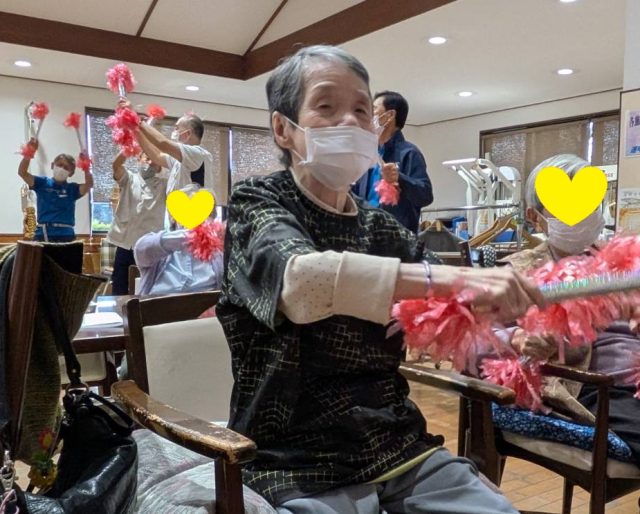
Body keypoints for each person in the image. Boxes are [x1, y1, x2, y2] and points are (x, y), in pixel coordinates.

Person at [216, 44, 543, 514]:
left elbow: (446, 317)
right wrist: (452, 279)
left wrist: (511, 326)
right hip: (293, 457)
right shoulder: (258, 202)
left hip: (396, 445)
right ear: (283, 128)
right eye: (326, 106)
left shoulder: (382, 228)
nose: (349, 122)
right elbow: (302, 283)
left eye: (361, 110)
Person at [494, 153, 640, 465]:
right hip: (592, 386)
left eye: (590, 204)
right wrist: (517, 337)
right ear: (535, 216)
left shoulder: (618, 260)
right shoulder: (518, 271)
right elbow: (482, 334)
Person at [352, 90, 433, 232]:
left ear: (389, 115)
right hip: (364, 234)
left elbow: (425, 195)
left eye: (373, 109)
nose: (368, 114)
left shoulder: (409, 153)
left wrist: (399, 178)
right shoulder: (367, 153)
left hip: (397, 237)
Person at [133, 185, 223, 296]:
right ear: (173, 217)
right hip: (157, 306)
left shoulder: (218, 256)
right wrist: (192, 235)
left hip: (206, 307)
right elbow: (141, 249)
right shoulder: (159, 247)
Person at [106, 151, 168, 295]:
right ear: (139, 160)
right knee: (119, 287)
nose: (150, 163)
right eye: (147, 158)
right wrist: (128, 148)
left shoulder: (165, 184)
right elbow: (116, 166)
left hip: (148, 247)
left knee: (146, 288)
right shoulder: (130, 178)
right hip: (125, 244)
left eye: (154, 160)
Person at [121, 101, 214, 196]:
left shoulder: (198, 154)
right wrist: (136, 129)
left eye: (177, 128)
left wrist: (138, 121)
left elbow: (162, 143)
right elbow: (157, 156)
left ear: (188, 134)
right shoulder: (179, 160)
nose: (174, 132)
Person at [17, 137, 93, 242]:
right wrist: (29, 153)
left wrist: (86, 167)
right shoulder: (42, 183)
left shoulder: (72, 189)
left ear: (71, 173)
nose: (62, 169)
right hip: (43, 234)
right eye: (59, 165)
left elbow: (89, 184)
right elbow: (22, 172)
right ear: (53, 165)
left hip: (66, 235)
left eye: (66, 168)